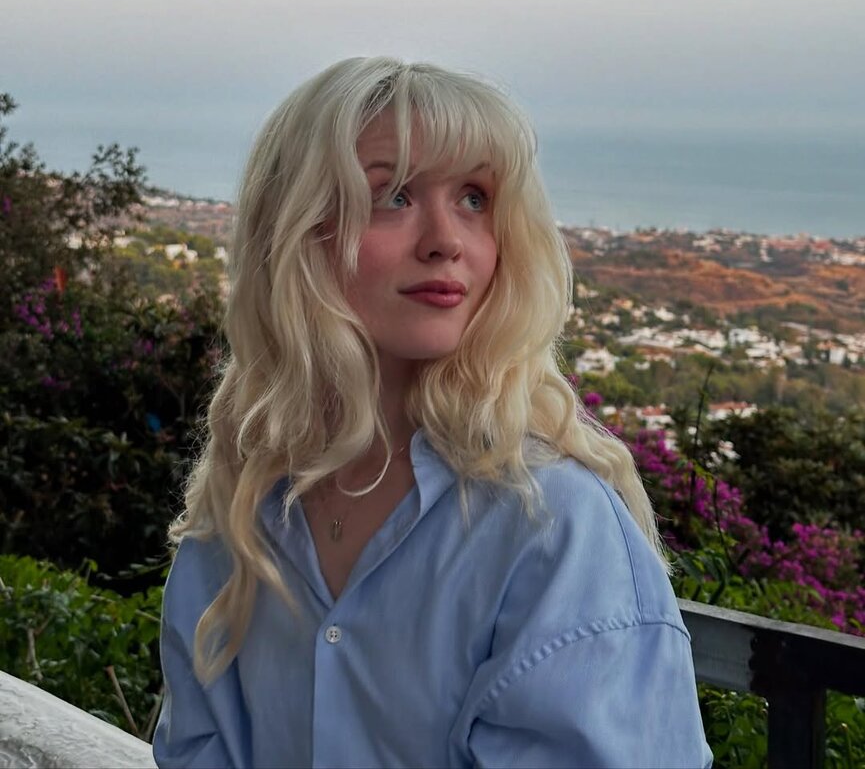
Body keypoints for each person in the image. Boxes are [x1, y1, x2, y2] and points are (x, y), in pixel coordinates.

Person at [153, 57, 712, 769]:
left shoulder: (550, 524)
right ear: (294, 230)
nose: (446, 239)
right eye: (394, 195)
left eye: (475, 199)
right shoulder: (247, 503)